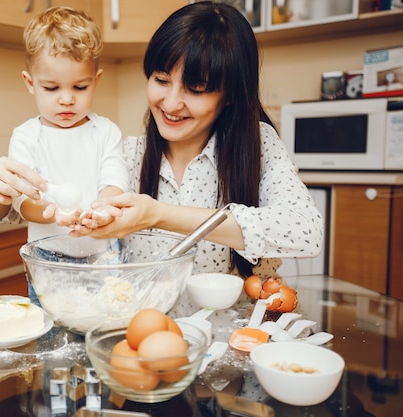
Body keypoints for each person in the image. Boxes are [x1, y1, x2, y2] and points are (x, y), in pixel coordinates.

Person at [79, 1, 324, 315]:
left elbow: (305, 231)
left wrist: (158, 214)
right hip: (144, 342)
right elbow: (60, 213)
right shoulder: (125, 154)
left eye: (196, 89)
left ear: (231, 94)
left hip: (232, 341)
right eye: (161, 80)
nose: (171, 103)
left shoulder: (257, 145)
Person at [0, 6, 129, 300]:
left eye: (80, 87)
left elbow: (113, 182)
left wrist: (100, 212)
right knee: (52, 337)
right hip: (48, 258)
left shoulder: (105, 132)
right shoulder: (27, 137)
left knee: (104, 327)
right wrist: (53, 214)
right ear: (30, 83)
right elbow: (24, 201)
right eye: (52, 87)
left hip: (103, 257)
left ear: (95, 81)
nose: (67, 98)